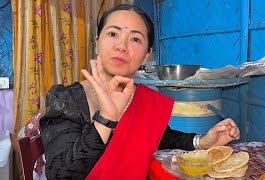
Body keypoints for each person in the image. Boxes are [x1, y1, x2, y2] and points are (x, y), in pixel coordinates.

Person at [39, 4, 240, 180]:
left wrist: (203, 141)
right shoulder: (66, 99)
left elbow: (162, 137)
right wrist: (106, 118)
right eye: (112, 34)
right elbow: (60, 174)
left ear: (146, 55)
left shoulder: (147, 100)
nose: (122, 46)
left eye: (135, 39)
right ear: (97, 41)